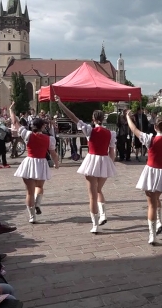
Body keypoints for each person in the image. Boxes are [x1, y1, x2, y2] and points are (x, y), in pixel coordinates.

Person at [55, 96, 116, 233]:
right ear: (103, 118)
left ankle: (95, 225)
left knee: (92, 194)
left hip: (92, 161)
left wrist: (60, 104)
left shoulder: (89, 129)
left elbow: (73, 117)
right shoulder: (110, 133)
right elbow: (112, 152)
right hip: (104, 160)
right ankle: (103, 214)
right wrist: (110, 165)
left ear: (93, 119)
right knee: (99, 190)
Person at [127, 110, 162, 245]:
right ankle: (159, 222)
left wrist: (127, 117)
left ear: (155, 127)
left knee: (151, 204)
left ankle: (152, 235)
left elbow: (134, 129)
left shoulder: (150, 139)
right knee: (156, 199)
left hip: (150, 172)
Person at [10, 102, 59, 223]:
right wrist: (56, 163)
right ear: (42, 127)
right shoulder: (49, 139)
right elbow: (53, 153)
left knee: (29, 192)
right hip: (41, 163)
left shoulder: (27, 134)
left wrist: (11, 110)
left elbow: (15, 123)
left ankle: (32, 216)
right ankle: (37, 203)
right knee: (39, 186)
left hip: (29, 162)